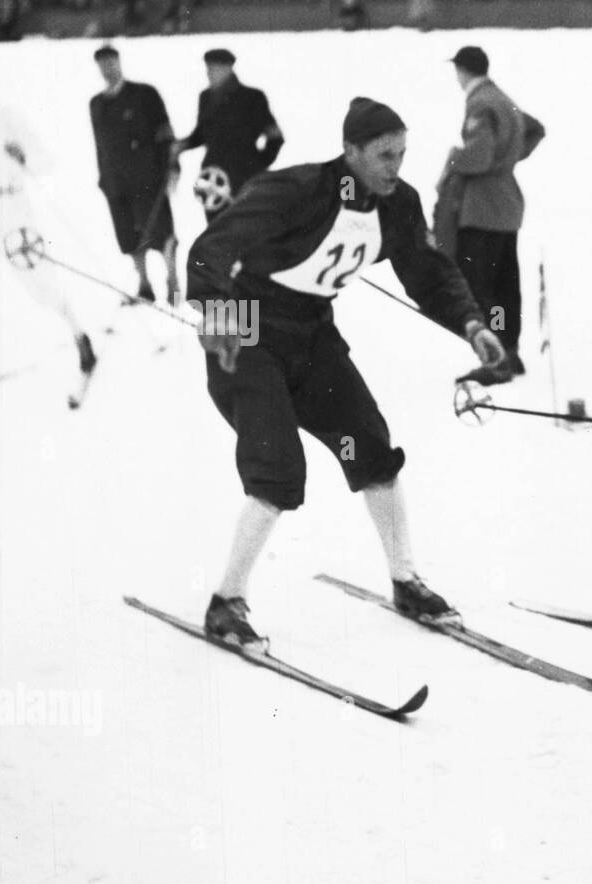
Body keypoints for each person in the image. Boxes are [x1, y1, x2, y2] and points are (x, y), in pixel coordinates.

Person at [187, 97, 508, 647]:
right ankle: (226, 602)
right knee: (277, 467)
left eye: (402, 154)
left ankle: (406, 581)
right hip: (249, 335)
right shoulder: (298, 189)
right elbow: (211, 247)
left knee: (369, 446)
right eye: (384, 155)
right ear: (350, 150)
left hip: (312, 338)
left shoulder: (398, 204)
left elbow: (428, 271)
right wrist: (217, 311)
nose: (395, 166)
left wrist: (473, 323)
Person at [432, 45, 545, 384]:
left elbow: (478, 157)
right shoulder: (502, 98)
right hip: (506, 206)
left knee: (483, 289)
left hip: (482, 209)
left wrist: (454, 159)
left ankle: (496, 359)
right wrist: (506, 159)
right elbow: (534, 129)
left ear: (462, 71)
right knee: (505, 286)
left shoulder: (480, 103)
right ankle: (510, 350)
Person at [0, 102, 97, 382]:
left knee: (37, 276)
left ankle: (79, 336)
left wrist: (23, 156)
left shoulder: (7, 116)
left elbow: (45, 160)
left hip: (13, 208)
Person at [88, 45, 180, 303]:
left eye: (111, 62)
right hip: (115, 181)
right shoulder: (96, 104)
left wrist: (173, 167)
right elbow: (100, 145)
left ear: (119, 62)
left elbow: (165, 132)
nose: (108, 69)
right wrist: (103, 179)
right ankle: (144, 285)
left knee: (161, 231)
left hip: (147, 178)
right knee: (128, 236)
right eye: (102, 64)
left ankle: (173, 281)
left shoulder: (144, 94)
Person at [171, 48, 284, 223]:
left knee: (246, 227)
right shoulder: (205, 97)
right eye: (208, 68)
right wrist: (182, 145)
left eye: (214, 69)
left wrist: (257, 165)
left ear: (228, 68)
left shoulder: (252, 97)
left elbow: (275, 138)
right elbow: (202, 134)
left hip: (244, 178)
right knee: (216, 230)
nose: (209, 73)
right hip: (212, 178)